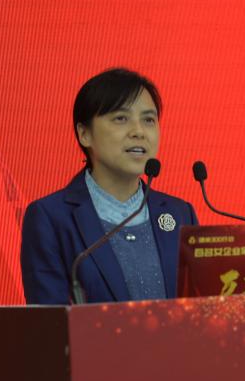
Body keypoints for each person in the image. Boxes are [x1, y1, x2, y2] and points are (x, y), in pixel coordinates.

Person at [20, 68, 198, 304]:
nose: (139, 132)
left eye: (148, 120)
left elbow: (201, 307)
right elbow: (49, 319)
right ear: (84, 134)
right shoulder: (51, 218)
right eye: (121, 118)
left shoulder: (180, 213)